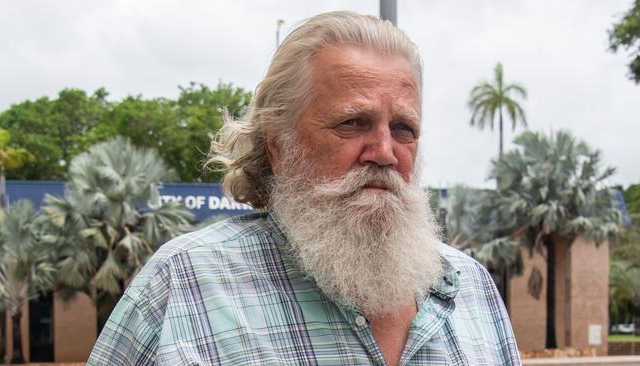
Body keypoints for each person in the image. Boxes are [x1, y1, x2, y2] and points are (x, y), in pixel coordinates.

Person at [89, 11, 521, 365]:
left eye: (404, 128)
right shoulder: (185, 283)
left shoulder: (472, 289)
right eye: (353, 123)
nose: (385, 152)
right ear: (279, 146)